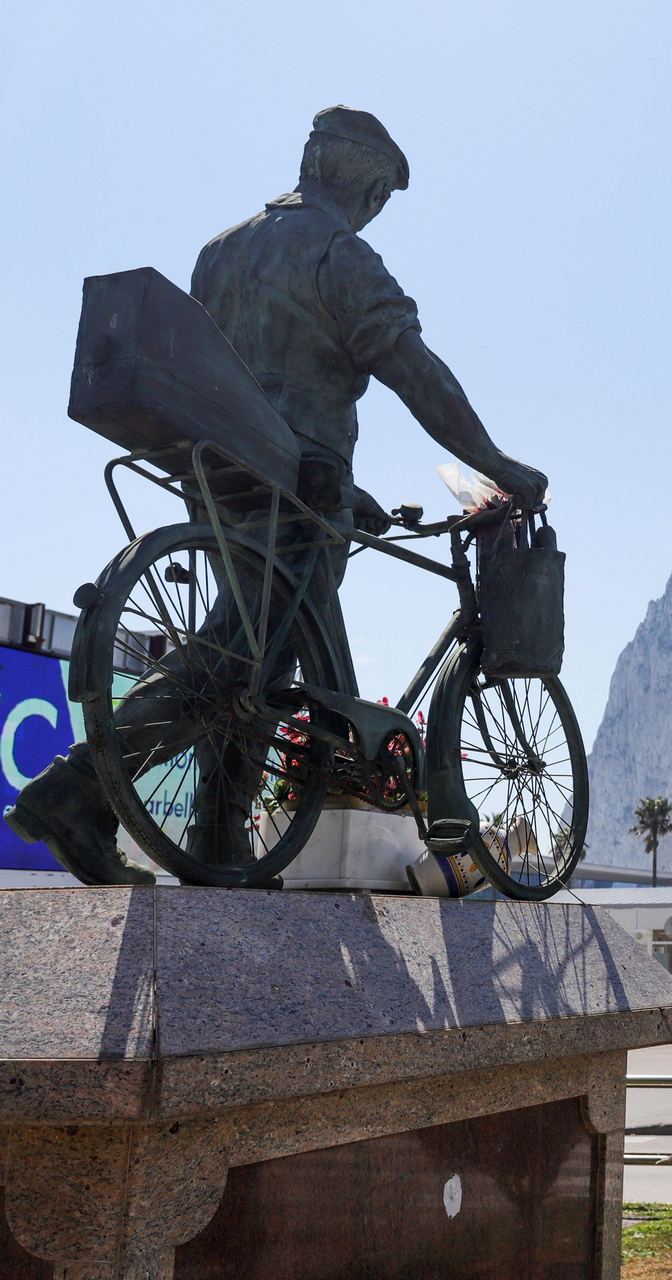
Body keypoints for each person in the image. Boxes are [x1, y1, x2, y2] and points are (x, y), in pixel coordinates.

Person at [6, 106, 546, 886]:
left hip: (223, 474)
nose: (376, 212)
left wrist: (347, 487)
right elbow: (414, 373)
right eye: (380, 196)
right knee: (241, 656)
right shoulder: (340, 254)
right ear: (359, 179)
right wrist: (494, 460)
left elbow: (260, 383)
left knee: (251, 660)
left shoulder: (220, 252)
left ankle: (222, 839)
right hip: (297, 490)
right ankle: (75, 789)